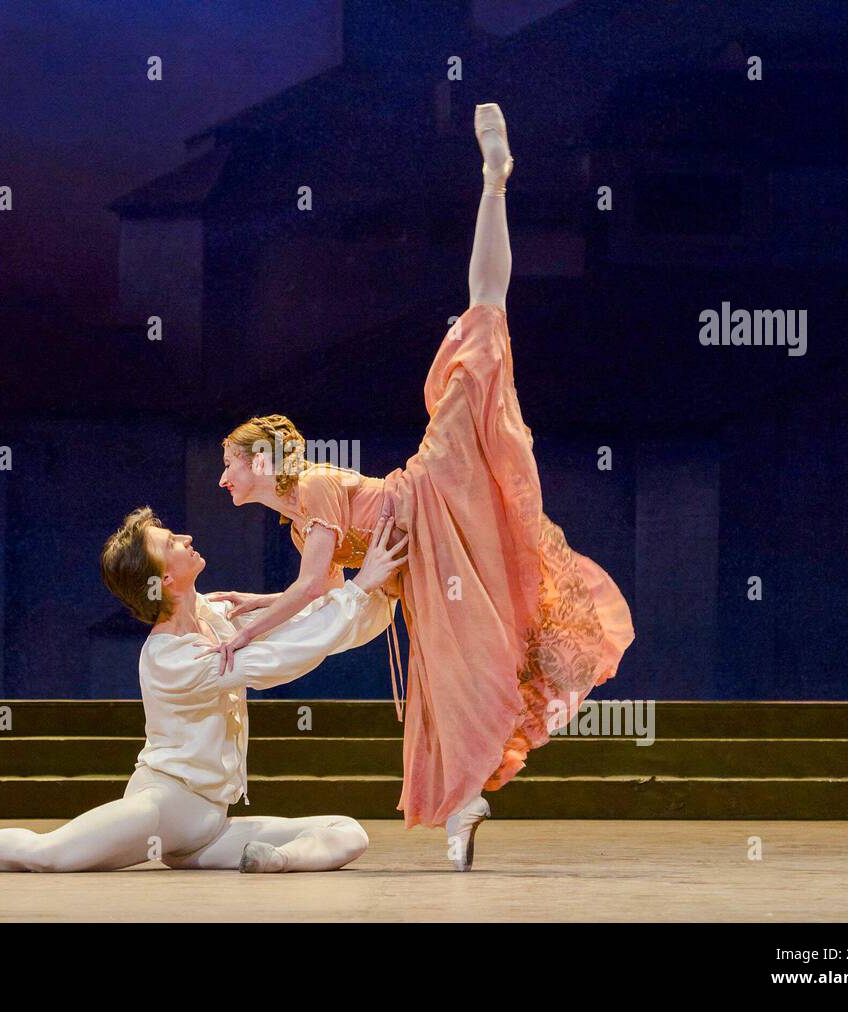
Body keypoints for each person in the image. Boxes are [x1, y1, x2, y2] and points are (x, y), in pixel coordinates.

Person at [211, 103, 635, 869]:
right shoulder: (300, 511)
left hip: (433, 491)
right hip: (425, 561)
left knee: (480, 327)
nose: (223, 477)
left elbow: (314, 591)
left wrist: (250, 624)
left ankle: (494, 182)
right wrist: (257, 603)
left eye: (231, 463)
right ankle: (466, 805)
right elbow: (327, 585)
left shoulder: (306, 494)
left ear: (263, 459)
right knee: (457, 680)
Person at [0, 508, 406, 873]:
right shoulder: (169, 656)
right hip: (160, 809)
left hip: (209, 826)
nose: (186, 538)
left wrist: (381, 594)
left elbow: (307, 632)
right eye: (172, 541)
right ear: (164, 579)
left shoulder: (216, 614)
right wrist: (359, 589)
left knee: (347, 832)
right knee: (48, 856)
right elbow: (279, 660)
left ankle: (274, 863)